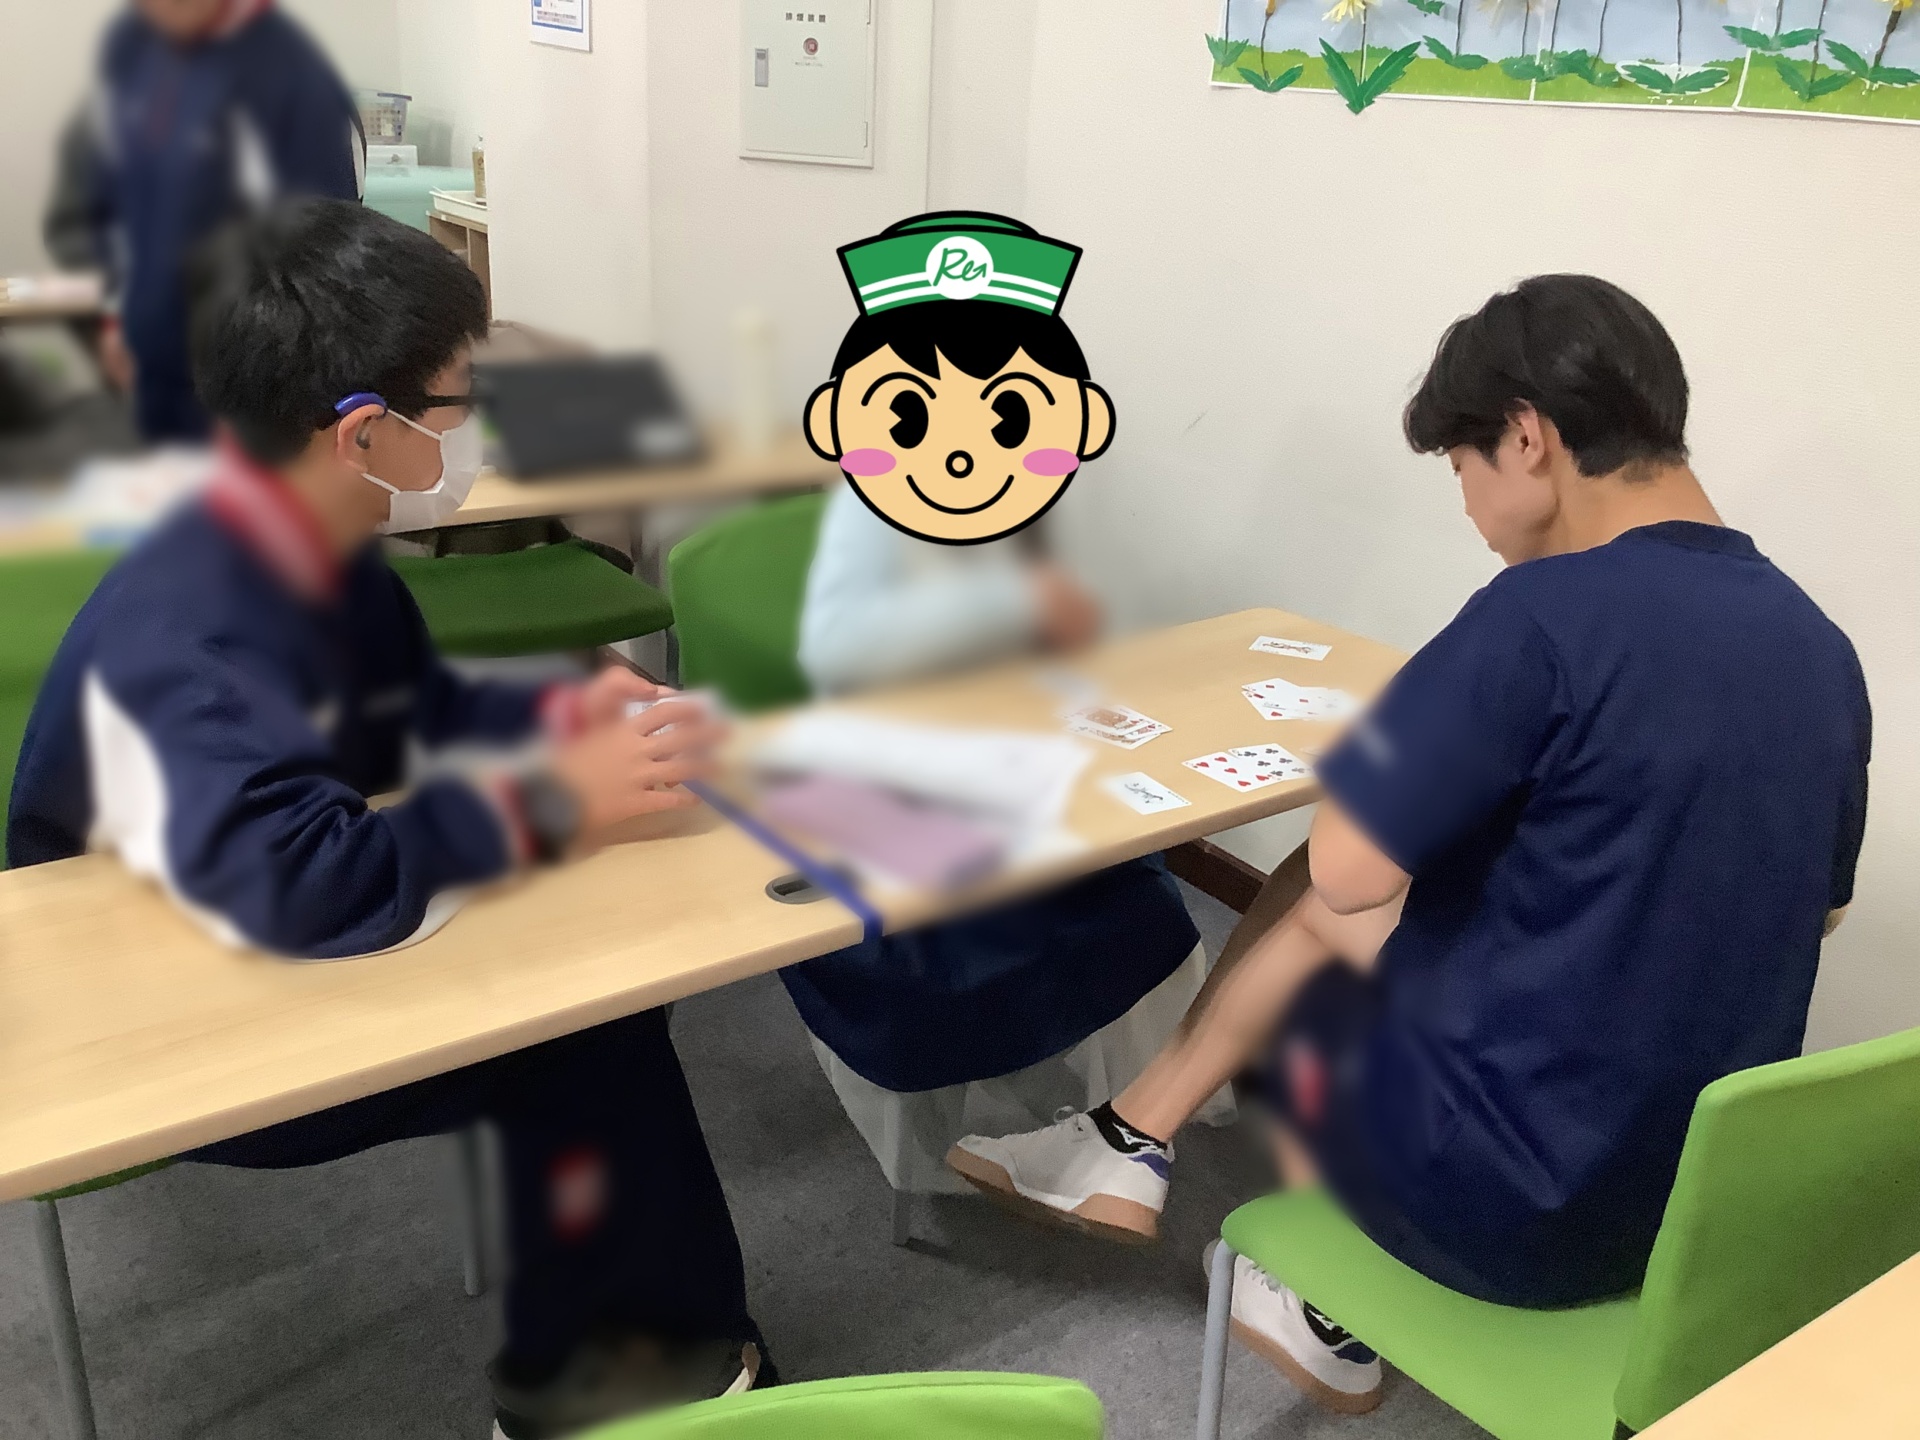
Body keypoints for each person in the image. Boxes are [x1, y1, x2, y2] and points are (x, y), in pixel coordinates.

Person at [950, 274, 1870, 1412]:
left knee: (1325, 887)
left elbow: (1348, 873)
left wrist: (1398, 743)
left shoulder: (1541, 616)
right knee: (1431, 900)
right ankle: (1129, 1136)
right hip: (1688, 1215)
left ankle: (1292, 1264)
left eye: (1463, 470)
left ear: (1527, 438)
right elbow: (1817, 907)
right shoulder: (1818, 644)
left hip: (1496, 1212)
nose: (1470, 511)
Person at [7, 199, 767, 1440]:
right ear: (365, 431)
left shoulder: (310, 534)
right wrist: (550, 798)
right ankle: (611, 1389)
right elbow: (308, 883)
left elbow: (409, 708)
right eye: (458, 403)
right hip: (164, 1017)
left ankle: (622, 1359)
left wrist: (557, 710)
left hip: (259, 909)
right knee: (581, 1030)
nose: (470, 434)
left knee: (597, 1003)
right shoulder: (193, 627)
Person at [787, 212, 1231, 1204]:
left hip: (1014, 799)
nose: (964, 458)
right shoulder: (865, 537)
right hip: (898, 826)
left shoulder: (1017, 527)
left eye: (1006, 423)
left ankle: (1134, 1115)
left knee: (1138, 898)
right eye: (917, 419)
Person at [69, 0, 364, 437]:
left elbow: (324, 256)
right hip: (164, 353)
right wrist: (119, 319)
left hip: (250, 366)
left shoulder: (294, 82)